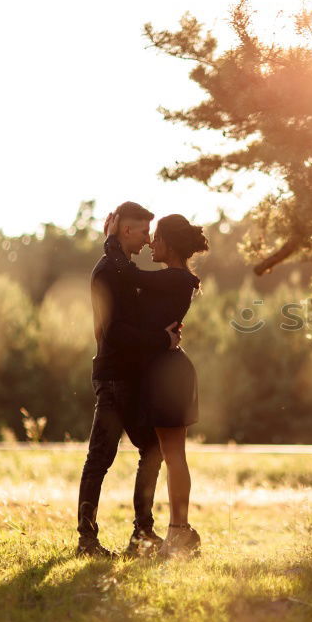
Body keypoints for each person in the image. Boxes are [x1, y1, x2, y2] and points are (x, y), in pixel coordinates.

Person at [76, 201, 182, 558]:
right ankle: (87, 541)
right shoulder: (107, 271)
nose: (148, 240)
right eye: (143, 231)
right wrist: (161, 340)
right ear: (126, 230)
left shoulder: (123, 269)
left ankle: (142, 534)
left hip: (132, 378)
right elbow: (115, 331)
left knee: (151, 450)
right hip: (114, 377)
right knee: (100, 458)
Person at [104, 211, 208, 558]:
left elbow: (129, 273)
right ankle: (177, 531)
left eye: (157, 238)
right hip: (163, 371)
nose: (151, 243)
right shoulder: (171, 278)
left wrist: (112, 239)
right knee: (168, 453)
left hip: (169, 374)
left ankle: (179, 530)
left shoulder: (176, 279)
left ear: (171, 244)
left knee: (173, 454)